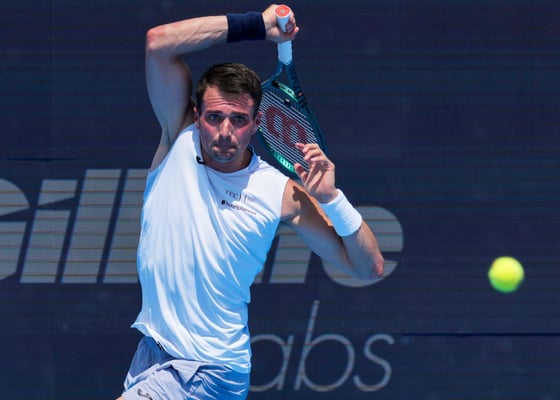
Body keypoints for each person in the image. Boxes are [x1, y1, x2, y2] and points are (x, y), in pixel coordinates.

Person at [117, 4, 384, 400]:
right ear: (197, 115)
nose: (226, 131)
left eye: (239, 119)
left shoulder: (280, 193)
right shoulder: (178, 139)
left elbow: (368, 267)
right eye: (215, 117)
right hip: (153, 353)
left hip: (208, 371)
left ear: (257, 124)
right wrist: (257, 25)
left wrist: (332, 200)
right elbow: (159, 43)